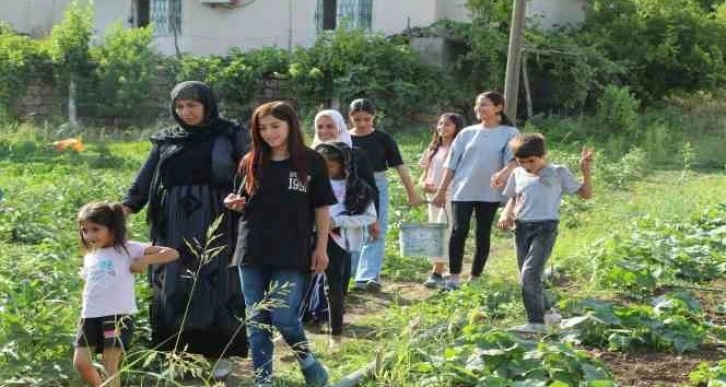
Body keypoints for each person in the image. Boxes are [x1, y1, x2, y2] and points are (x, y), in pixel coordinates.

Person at [121, 81, 249, 376]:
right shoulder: (167, 140)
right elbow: (144, 179)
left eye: (192, 105)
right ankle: (177, 355)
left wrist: (249, 200)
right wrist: (122, 210)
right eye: (180, 106)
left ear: (207, 104)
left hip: (217, 219)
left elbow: (250, 171)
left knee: (217, 282)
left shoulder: (230, 134)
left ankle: (218, 354)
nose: (186, 112)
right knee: (173, 284)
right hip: (172, 224)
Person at [224, 101, 334, 387]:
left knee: (284, 316)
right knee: (257, 318)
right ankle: (263, 380)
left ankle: (308, 362)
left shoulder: (312, 161)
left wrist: (321, 248)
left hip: (293, 250)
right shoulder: (250, 161)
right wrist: (234, 204)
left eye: (275, 126)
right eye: (263, 128)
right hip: (252, 249)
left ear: (290, 126)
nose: (269, 133)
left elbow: (322, 208)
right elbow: (241, 200)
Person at [74, 202, 179, 387]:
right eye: (85, 230)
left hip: (117, 316)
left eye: (95, 229)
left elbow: (171, 253)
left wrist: (145, 260)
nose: (89, 235)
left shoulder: (128, 249)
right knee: (81, 363)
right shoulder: (91, 255)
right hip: (89, 316)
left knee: (109, 364)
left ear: (112, 227)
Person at [498, 134, 593, 333]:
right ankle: (548, 313)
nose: (527, 166)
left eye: (531, 161)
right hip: (521, 228)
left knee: (529, 274)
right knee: (528, 276)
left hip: (545, 228)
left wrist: (585, 171)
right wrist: (506, 213)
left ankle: (535, 322)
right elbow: (515, 197)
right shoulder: (517, 173)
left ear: (543, 156)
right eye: (521, 161)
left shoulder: (557, 172)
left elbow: (585, 194)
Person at [432, 91, 520, 291]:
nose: (479, 109)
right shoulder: (467, 133)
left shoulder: (510, 133)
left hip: (490, 192)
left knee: (483, 233)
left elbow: (514, 160)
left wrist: (504, 172)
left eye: (484, 105)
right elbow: (451, 164)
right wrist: (441, 190)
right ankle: (453, 276)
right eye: (477, 105)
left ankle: (475, 276)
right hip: (462, 190)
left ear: (498, 107)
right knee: (458, 230)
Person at [348, 98, 423, 291]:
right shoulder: (345, 139)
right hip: (350, 185)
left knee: (376, 229)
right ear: (350, 118)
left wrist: (411, 193)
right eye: (357, 119)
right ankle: (350, 274)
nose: (362, 123)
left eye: (367, 119)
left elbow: (400, 167)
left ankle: (368, 276)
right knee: (353, 230)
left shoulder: (383, 139)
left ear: (374, 117)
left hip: (377, 183)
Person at [313, 142, 377, 343]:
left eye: (330, 166)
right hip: (310, 236)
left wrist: (338, 221)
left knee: (334, 286)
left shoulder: (358, 189)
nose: (325, 170)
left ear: (344, 164)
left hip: (338, 240)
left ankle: (336, 332)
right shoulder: (311, 183)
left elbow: (368, 217)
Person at [311, 109, 378, 291]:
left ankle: (333, 311)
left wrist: (374, 221)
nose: (325, 131)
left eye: (330, 126)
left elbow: (369, 189)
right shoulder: (309, 156)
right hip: (313, 231)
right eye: (320, 127)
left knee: (337, 278)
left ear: (340, 127)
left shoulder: (355, 155)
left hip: (343, 232)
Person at [418, 113, 465, 288]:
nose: (442, 128)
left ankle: (437, 272)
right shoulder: (433, 149)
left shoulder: (459, 149)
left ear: (456, 128)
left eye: (448, 125)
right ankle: (439, 268)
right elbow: (423, 175)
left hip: (451, 195)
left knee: (443, 230)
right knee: (434, 230)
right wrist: (424, 184)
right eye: (440, 124)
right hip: (432, 197)